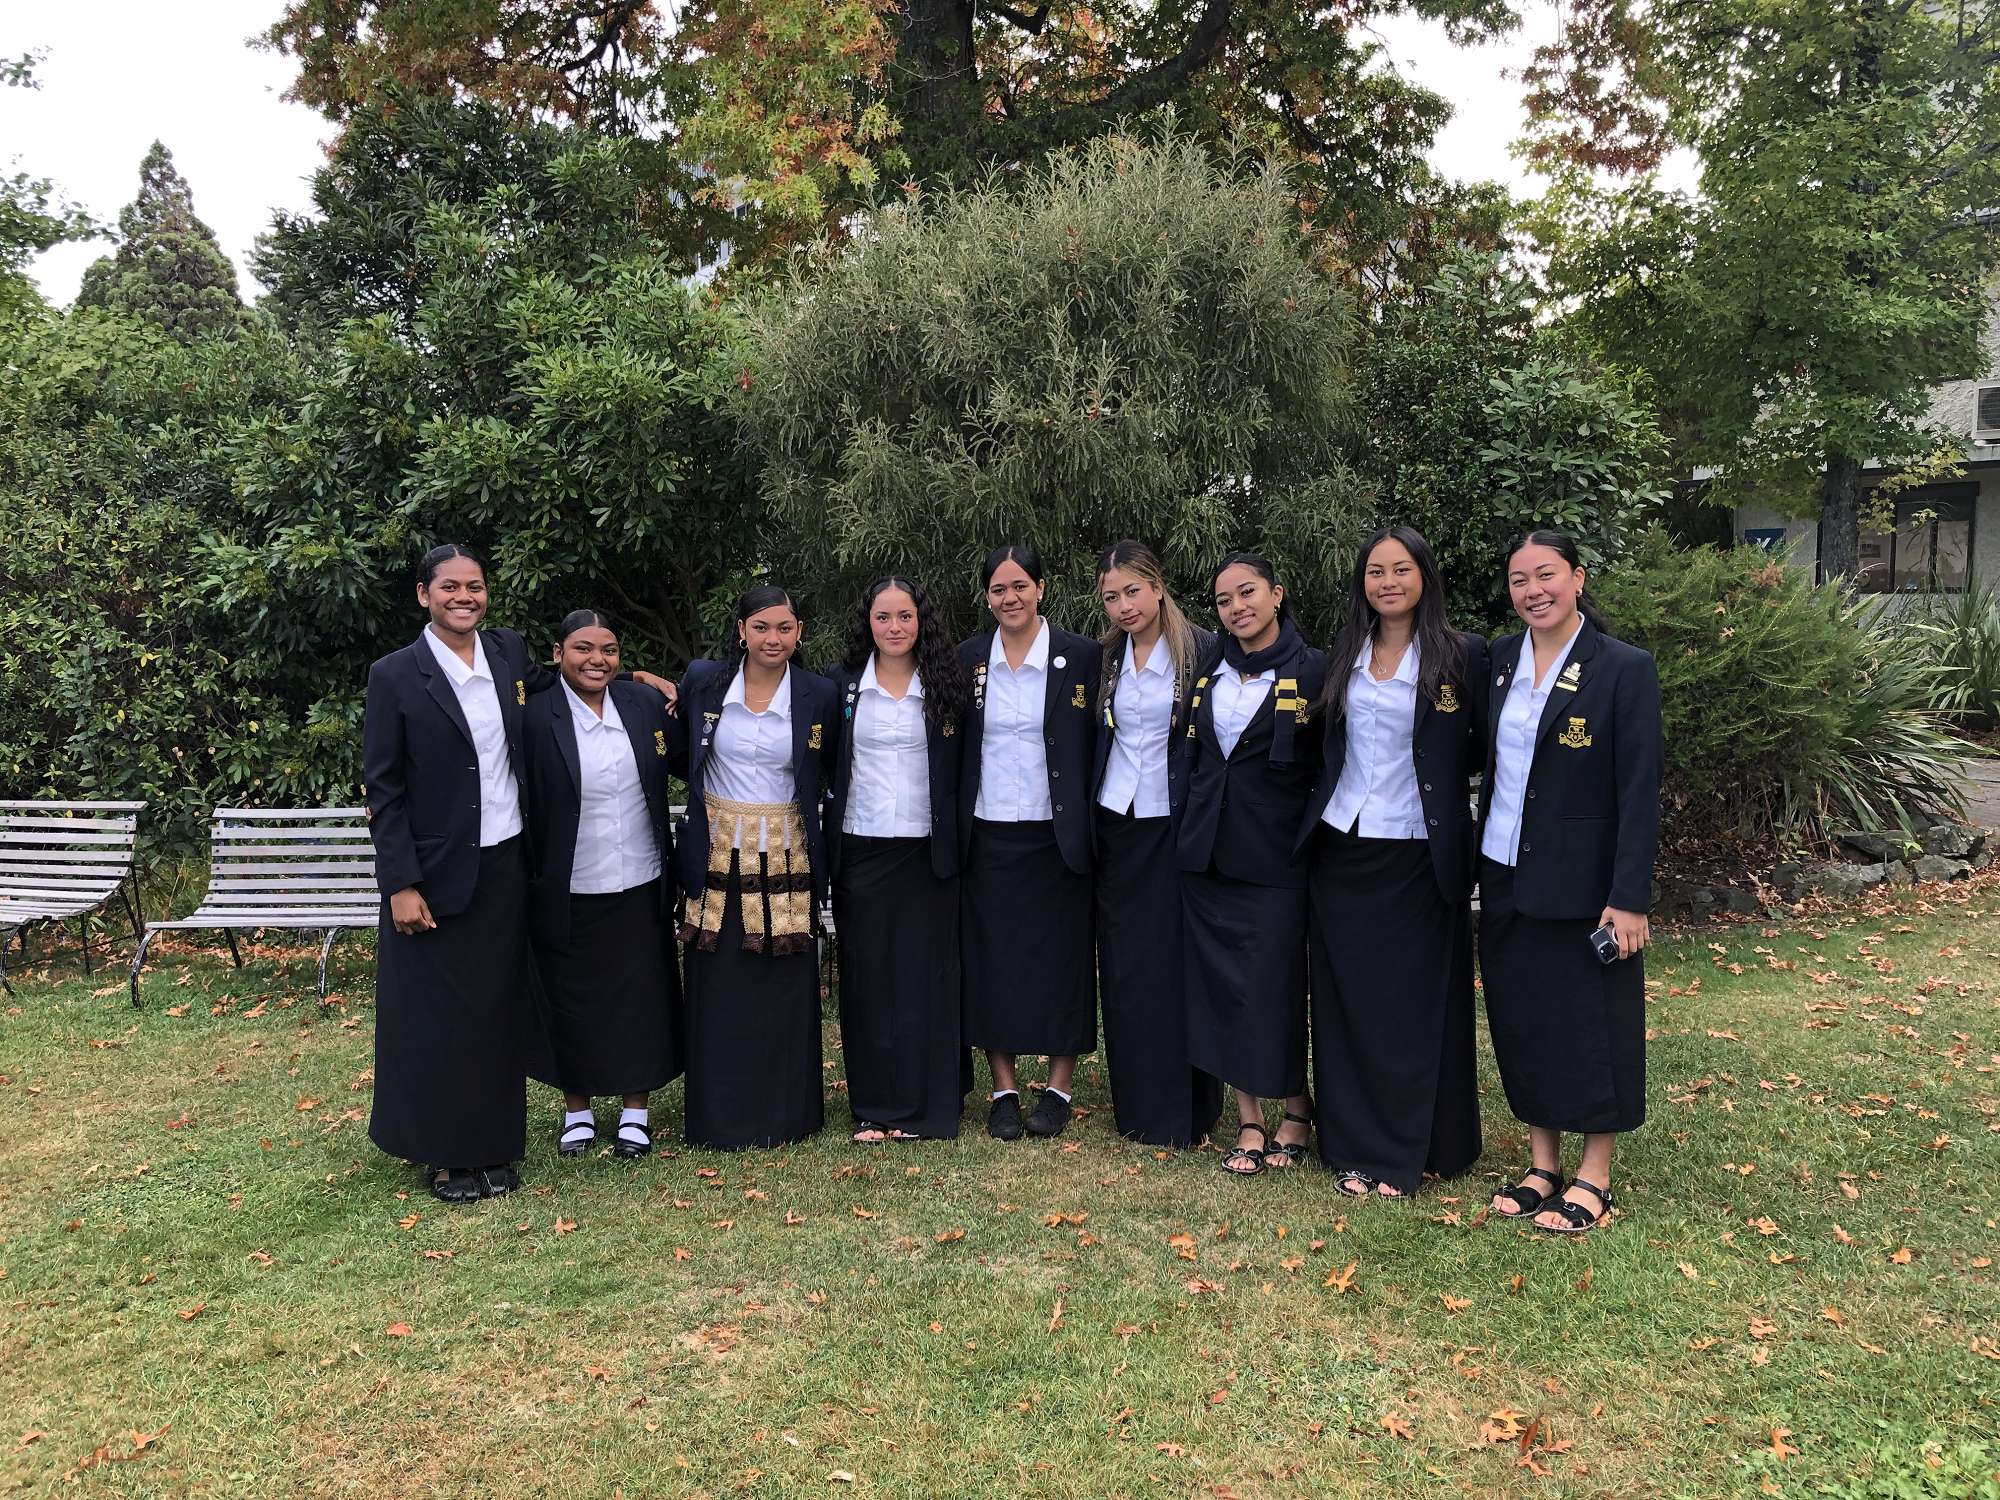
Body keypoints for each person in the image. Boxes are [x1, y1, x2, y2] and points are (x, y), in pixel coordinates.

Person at [1478, 529, 1662, 1234]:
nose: (1534, 591)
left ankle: (1595, 1174)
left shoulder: (1623, 668)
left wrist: (1629, 897)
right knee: (1524, 1018)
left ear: (1578, 577)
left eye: (1546, 574)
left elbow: (1639, 792)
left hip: (1586, 884)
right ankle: (1542, 1164)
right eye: (1519, 580)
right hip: (1503, 870)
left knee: (1591, 1023)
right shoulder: (1500, 660)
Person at [1297, 526, 1486, 1198]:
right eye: (1375, 571)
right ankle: (1352, 1145)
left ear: (1424, 576)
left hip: (1418, 851)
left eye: (1401, 569)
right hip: (1342, 848)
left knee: (1411, 1006)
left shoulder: (1464, 656)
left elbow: (1480, 749)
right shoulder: (1343, 652)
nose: (1388, 582)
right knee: (1348, 1005)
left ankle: (1414, 1149)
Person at [669, 585, 838, 1151]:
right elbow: (676, 746)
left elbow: (831, 767)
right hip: (718, 850)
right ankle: (720, 1116)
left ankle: (788, 1114)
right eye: (761, 627)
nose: (773, 638)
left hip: (789, 853)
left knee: (784, 983)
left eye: (785, 628)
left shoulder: (819, 692)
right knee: (719, 983)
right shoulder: (704, 681)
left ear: (799, 632)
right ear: (741, 630)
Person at [1178, 552, 1326, 1177]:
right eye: (1224, 600)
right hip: (1207, 853)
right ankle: (1248, 1119)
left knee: (1274, 987)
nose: (1236, 607)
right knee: (1223, 989)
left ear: (1276, 594)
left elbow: (1330, 763)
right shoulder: (1208, 669)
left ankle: (1296, 1106)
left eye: (1247, 593)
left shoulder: (1316, 670)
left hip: (1277, 855)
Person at [520, 609, 682, 1161]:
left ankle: (636, 1111)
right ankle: (578, 1110)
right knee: (571, 998)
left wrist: (646, 679)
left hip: (640, 875)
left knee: (641, 996)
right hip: (569, 882)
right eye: (583, 649)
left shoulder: (642, 706)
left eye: (609, 650)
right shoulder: (535, 714)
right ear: (558, 654)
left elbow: (690, 753)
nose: (597, 659)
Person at [958, 544, 1102, 1140]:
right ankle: (1004, 1089)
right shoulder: (968, 659)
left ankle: (1059, 1087)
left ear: (1041, 588)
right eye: (998, 589)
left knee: (1063, 958)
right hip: (989, 830)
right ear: (987, 597)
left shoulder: (1083, 656)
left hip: (1058, 833)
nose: (1009, 597)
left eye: (1020, 585)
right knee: (995, 960)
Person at [824, 576, 971, 1142]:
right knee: (868, 980)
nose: (894, 627)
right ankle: (874, 1106)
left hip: (927, 853)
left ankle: (928, 1106)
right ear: (868, 623)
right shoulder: (841, 686)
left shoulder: (947, 683)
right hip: (860, 849)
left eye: (905, 616)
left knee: (925, 979)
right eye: (882, 617)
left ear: (921, 620)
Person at [1090, 539, 1223, 1148]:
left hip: (1178, 822)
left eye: (1133, 591)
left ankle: (1190, 1107)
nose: (1124, 606)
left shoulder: (1203, 649)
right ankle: (1138, 1104)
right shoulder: (1105, 659)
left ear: (1158, 586)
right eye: (1111, 597)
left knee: (1178, 963)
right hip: (1119, 821)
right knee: (1127, 966)